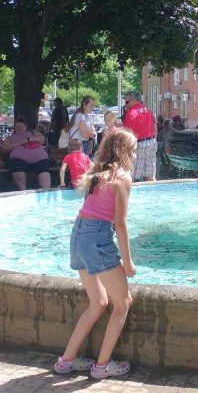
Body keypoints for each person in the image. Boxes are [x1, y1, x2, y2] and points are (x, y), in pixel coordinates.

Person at [53, 128, 137, 379]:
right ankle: (102, 366)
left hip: (78, 235)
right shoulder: (122, 178)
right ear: (125, 151)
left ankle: (66, 361)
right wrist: (129, 262)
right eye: (133, 150)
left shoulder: (96, 175)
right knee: (123, 304)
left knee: (99, 302)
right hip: (97, 238)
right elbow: (120, 224)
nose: (134, 154)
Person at [2, 118, 51, 190]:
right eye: (17, 127)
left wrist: (27, 140)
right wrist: (19, 143)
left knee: (44, 171)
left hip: (39, 158)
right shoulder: (10, 137)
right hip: (19, 160)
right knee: (18, 171)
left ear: (26, 127)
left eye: (21, 127)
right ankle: (23, 191)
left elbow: (42, 139)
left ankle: (46, 190)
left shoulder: (32, 132)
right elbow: (5, 149)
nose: (19, 128)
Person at [121, 90, 157, 182]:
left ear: (134, 100)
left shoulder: (132, 112)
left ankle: (130, 195)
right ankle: (153, 195)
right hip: (151, 142)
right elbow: (154, 126)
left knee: (131, 175)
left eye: (127, 102)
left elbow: (128, 134)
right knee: (150, 176)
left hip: (138, 145)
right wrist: (154, 140)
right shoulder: (148, 110)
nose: (125, 104)